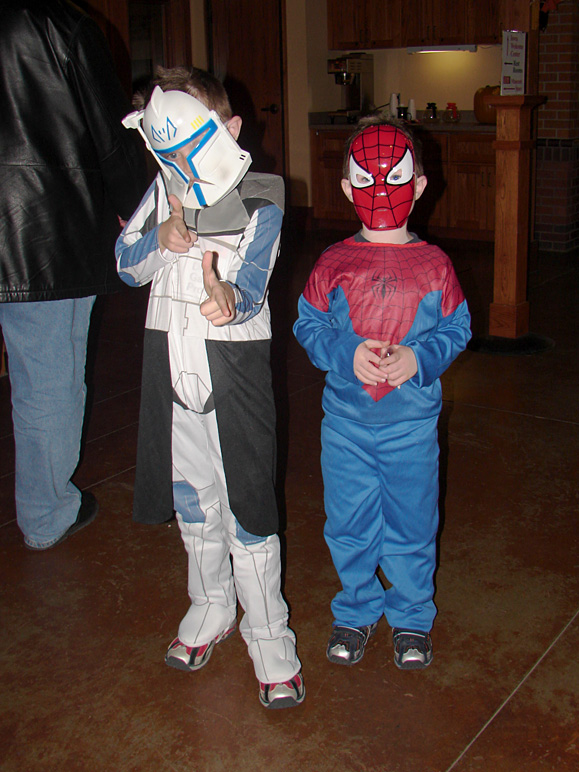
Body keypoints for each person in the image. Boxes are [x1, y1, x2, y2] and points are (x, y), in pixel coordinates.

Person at [115, 66, 305, 709]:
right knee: (193, 500)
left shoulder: (262, 194)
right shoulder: (162, 189)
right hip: (170, 373)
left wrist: (229, 295)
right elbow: (125, 263)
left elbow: (253, 278)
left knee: (249, 507)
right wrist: (159, 237)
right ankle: (210, 604)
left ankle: (269, 633)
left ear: (230, 129)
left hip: (233, 373)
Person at [293, 116, 471, 670]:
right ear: (347, 189)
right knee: (347, 521)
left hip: (411, 426)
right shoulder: (332, 263)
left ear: (418, 185)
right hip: (344, 425)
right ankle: (356, 607)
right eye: (364, 180)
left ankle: (413, 616)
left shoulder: (437, 266)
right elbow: (308, 324)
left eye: (394, 178)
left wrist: (420, 358)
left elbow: (457, 328)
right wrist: (345, 351)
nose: (379, 190)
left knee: (413, 523)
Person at [0, 0, 146, 551]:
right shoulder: (61, 24)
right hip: (40, 231)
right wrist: (141, 213)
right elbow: (110, 137)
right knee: (46, 376)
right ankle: (46, 514)